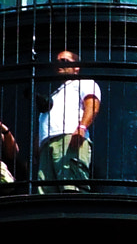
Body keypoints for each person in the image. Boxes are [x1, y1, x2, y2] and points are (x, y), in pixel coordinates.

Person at [36, 48, 100, 191]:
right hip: (48, 144)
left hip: (69, 139)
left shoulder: (83, 83)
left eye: (64, 61)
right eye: (57, 62)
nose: (59, 64)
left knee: (71, 187)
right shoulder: (55, 94)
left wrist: (82, 128)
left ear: (76, 67)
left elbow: (92, 105)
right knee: (46, 192)